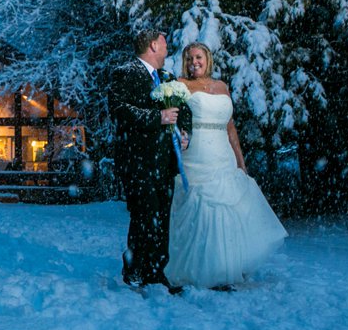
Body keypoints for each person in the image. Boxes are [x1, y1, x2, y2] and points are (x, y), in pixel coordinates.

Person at [164, 42, 288, 290]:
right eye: (188, 59)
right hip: (196, 153)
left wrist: (240, 160)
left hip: (222, 152)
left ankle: (225, 267)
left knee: (228, 209)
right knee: (202, 208)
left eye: (198, 57)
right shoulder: (179, 85)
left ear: (207, 59)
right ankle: (197, 269)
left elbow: (230, 127)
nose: (193, 63)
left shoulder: (222, 87)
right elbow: (172, 120)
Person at [109, 27, 191, 291]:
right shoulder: (125, 72)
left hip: (164, 162)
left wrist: (185, 131)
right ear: (153, 45)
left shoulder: (167, 77)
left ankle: (157, 272)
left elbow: (183, 109)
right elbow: (120, 110)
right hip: (138, 161)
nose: (168, 49)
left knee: (161, 217)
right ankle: (135, 270)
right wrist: (158, 117)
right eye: (164, 43)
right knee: (144, 216)